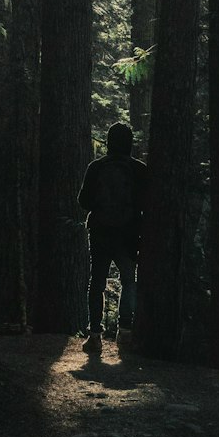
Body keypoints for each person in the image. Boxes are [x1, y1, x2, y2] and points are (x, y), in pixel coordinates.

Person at [78, 122, 148, 354]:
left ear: (108, 141)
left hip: (100, 233)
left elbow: (83, 201)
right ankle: (125, 332)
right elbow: (146, 204)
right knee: (129, 281)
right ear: (130, 143)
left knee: (96, 283)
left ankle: (95, 335)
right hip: (128, 234)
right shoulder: (139, 169)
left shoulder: (96, 167)